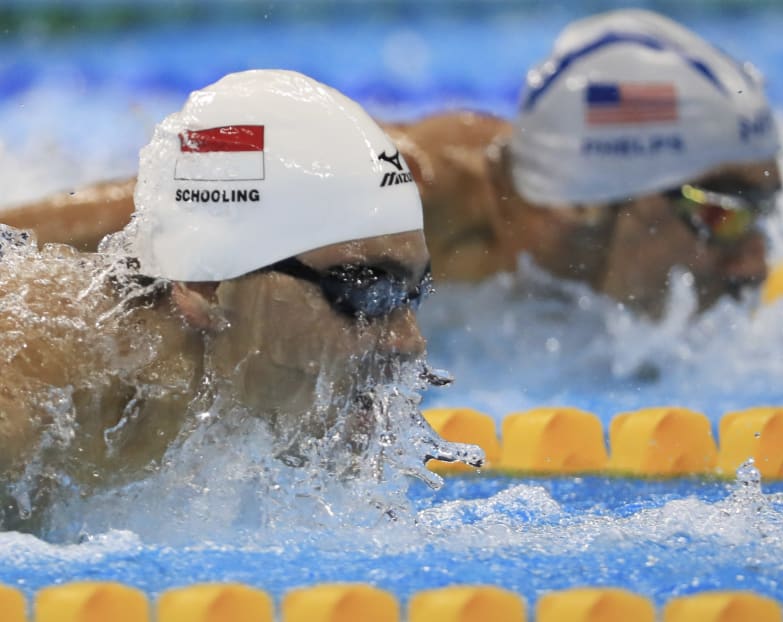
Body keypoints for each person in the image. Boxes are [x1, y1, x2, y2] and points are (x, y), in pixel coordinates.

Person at [2, 9, 782, 317]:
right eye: (721, 213)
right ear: (588, 199)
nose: (756, 259)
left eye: (765, 212)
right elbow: (135, 215)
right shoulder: (401, 188)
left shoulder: (594, 267)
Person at [0, 69, 478, 533]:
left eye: (412, 293)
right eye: (365, 291)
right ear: (207, 286)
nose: (409, 341)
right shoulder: (29, 403)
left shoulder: (210, 391)